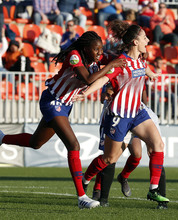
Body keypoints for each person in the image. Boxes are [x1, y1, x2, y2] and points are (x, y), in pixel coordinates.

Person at [0, 31, 127, 209]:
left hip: (65, 105)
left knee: (36, 143)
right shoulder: (74, 56)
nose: (100, 53)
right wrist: (112, 64)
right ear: (85, 48)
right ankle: (82, 197)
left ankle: (2, 138)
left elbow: (117, 57)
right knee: (74, 145)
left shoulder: (95, 57)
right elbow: (88, 79)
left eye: (101, 49)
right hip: (52, 101)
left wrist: (127, 54)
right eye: (96, 49)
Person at [72, 22, 169, 207]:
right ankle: (86, 178)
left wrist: (151, 74)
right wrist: (86, 92)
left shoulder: (141, 60)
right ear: (134, 42)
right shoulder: (121, 62)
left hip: (137, 112)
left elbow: (143, 68)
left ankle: (154, 190)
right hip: (120, 114)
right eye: (144, 38)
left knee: (158, 144)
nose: (148, 40)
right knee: (110, 158)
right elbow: (104, 79)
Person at [89, 84, 168, 209]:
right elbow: (102, 93)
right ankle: (100, 194)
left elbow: (142, 87)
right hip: (117, 116)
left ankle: (160, 198)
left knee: (147, 153)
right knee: (110, 156)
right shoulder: (114, 76)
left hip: (138, 116)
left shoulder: (136, 72)